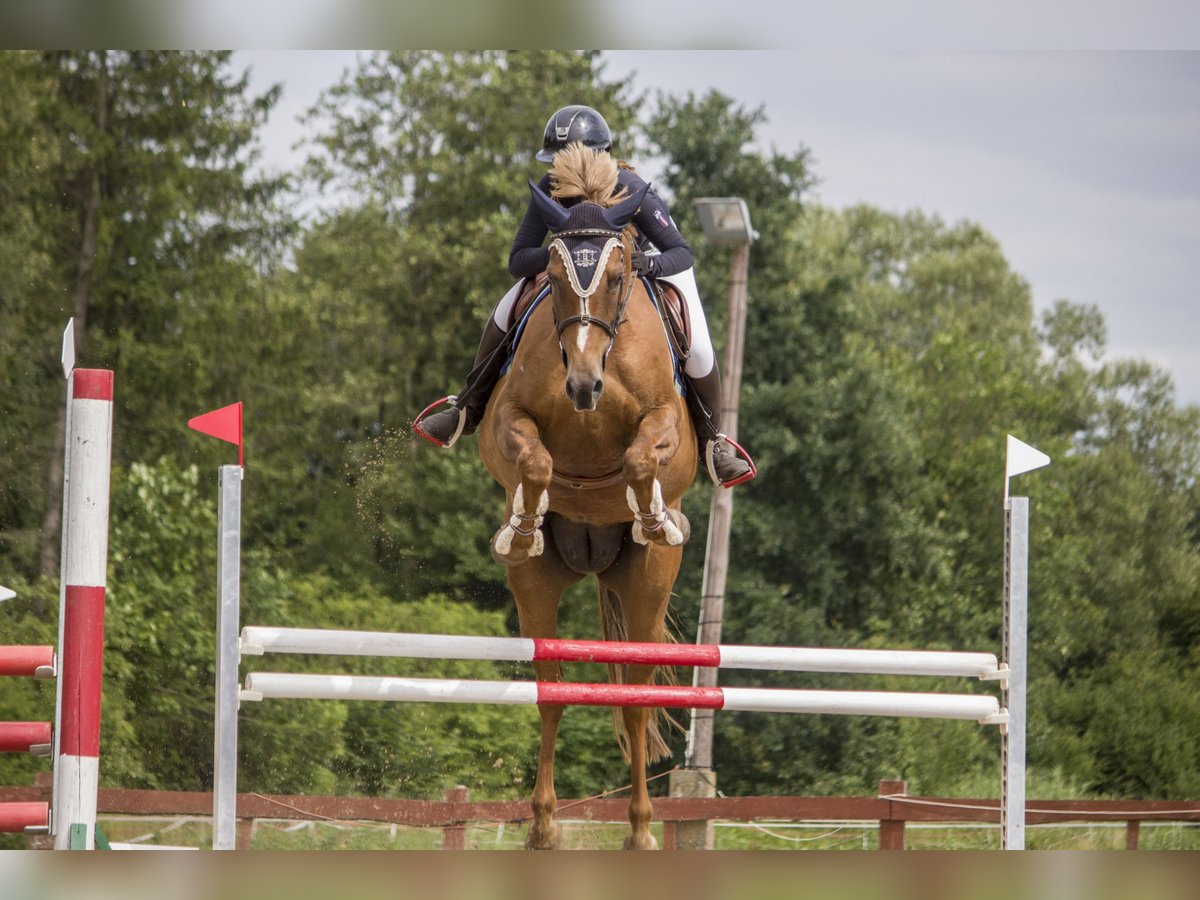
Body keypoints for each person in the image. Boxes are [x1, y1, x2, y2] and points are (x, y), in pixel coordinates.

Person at [413, 104, 755, 488]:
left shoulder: (630, 187)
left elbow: (682, 252)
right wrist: (564, 255)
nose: (559, 166)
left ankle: (714, 441)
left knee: (701, 348)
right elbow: (518, 258)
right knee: (508, 307)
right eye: (555, 158)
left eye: (566, 157)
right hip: (572, 269)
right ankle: (467, 408)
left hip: (649, 264)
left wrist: (646, 264)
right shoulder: (551, 188)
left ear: (597, 154)